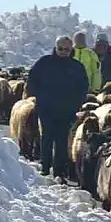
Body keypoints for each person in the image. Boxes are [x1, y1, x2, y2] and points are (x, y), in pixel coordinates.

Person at [25, 35, 89, 182]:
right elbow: (32, 79)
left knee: (62, 140)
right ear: (55, 47)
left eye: (66, 49)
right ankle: (45, 166)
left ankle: (59, 170)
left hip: (66, 110)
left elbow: (83, 86)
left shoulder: (76, 66)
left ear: (71, 49)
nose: (63, 52)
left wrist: (77, 103)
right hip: (46, 107)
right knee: (46, 137)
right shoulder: (44, 62)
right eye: (60, 48)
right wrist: (35, 96)